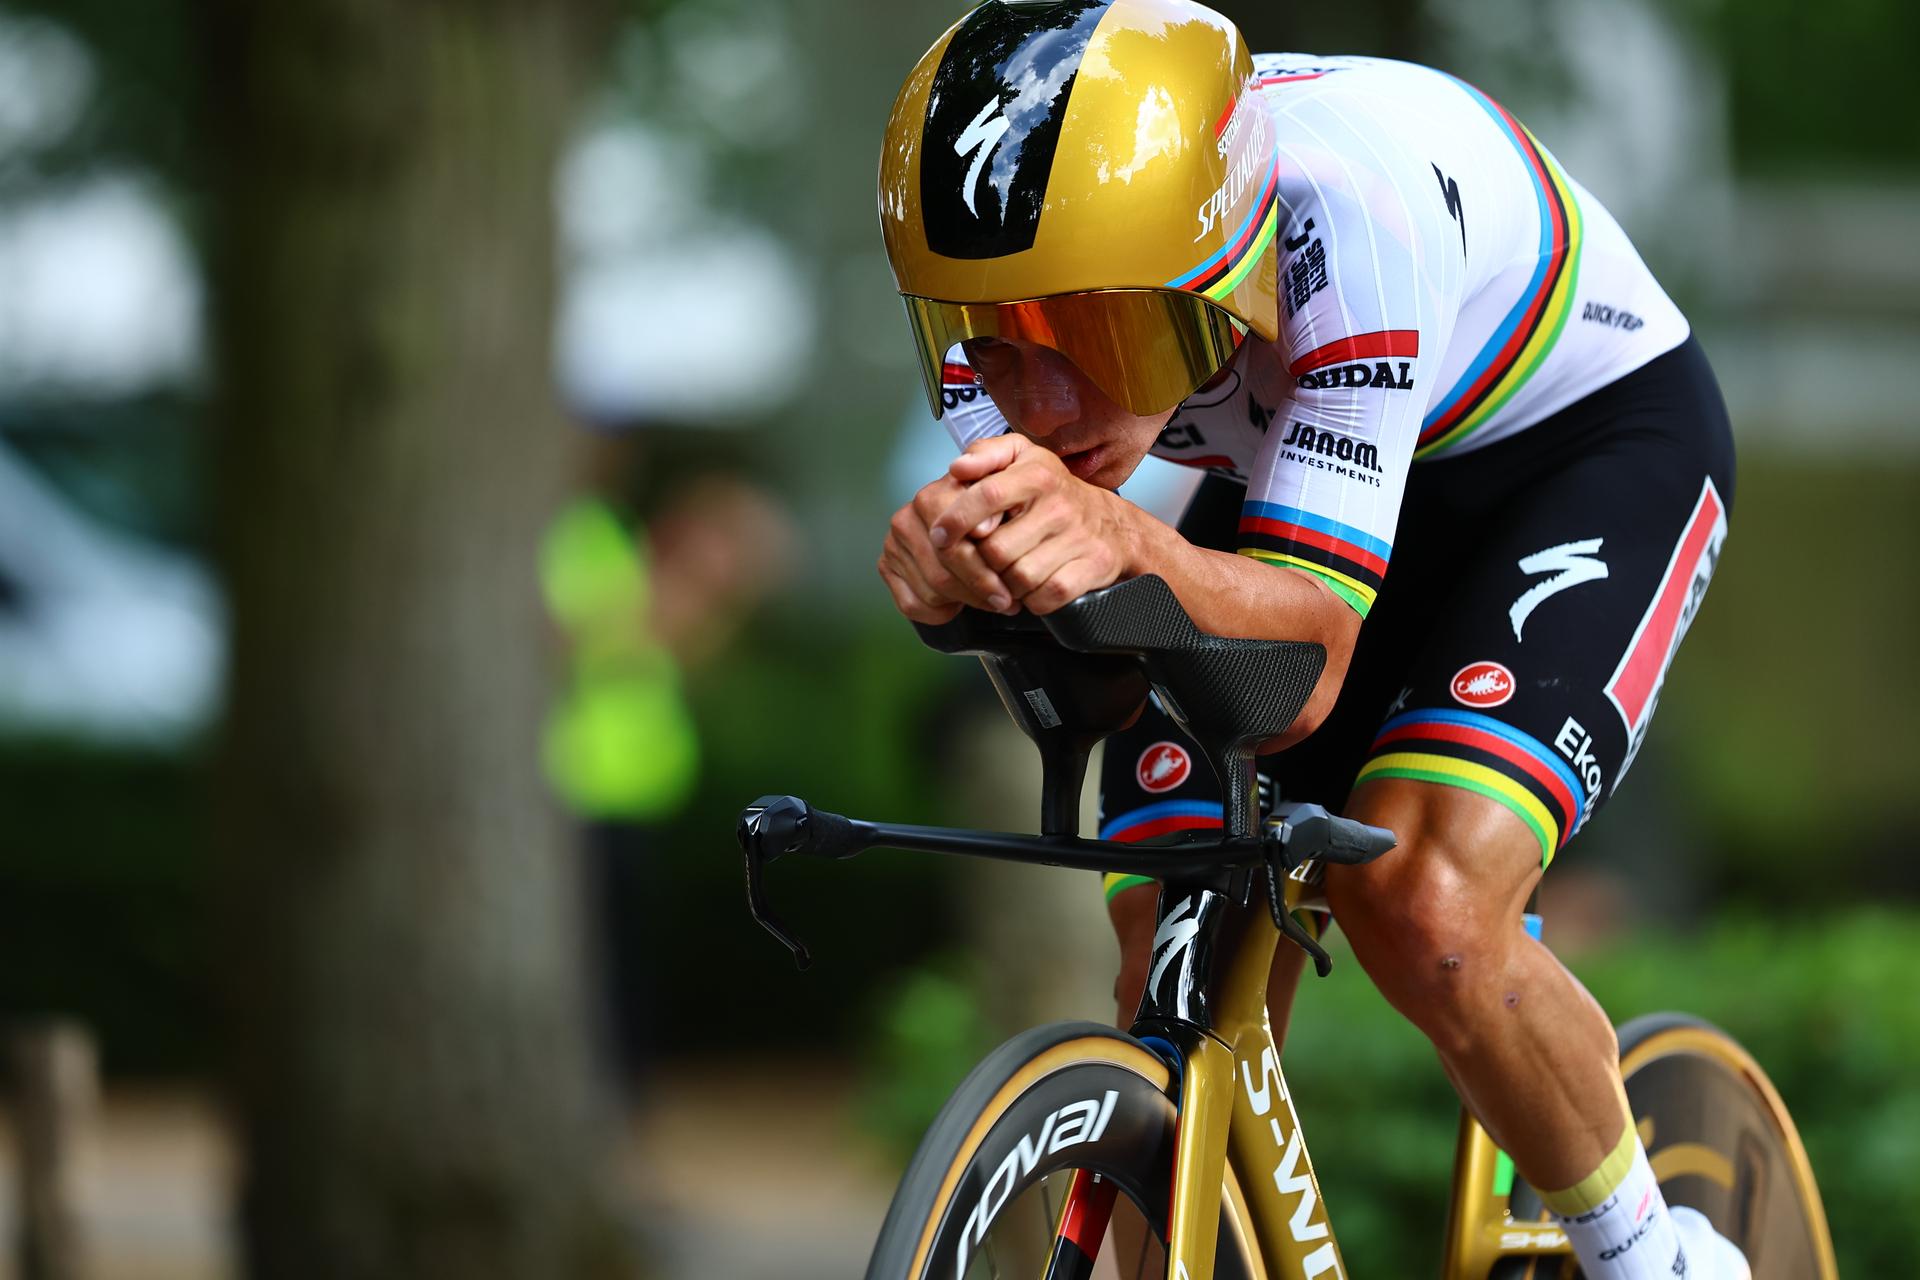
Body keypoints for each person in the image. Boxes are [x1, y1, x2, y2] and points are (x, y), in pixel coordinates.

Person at [874, 3, 1742, 1277]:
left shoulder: (1352, 221)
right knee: (1172, 926)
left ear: (1223, 263)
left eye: (1102, 333)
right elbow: (1097, 691)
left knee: (1426, 902)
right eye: (999, 340)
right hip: (1301, 460)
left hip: (1571, 453)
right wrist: (965, 590)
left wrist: (1125, 546)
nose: (1043, 406)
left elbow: (1299, 677)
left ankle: (1651, 1255)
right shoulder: (1002, 323)